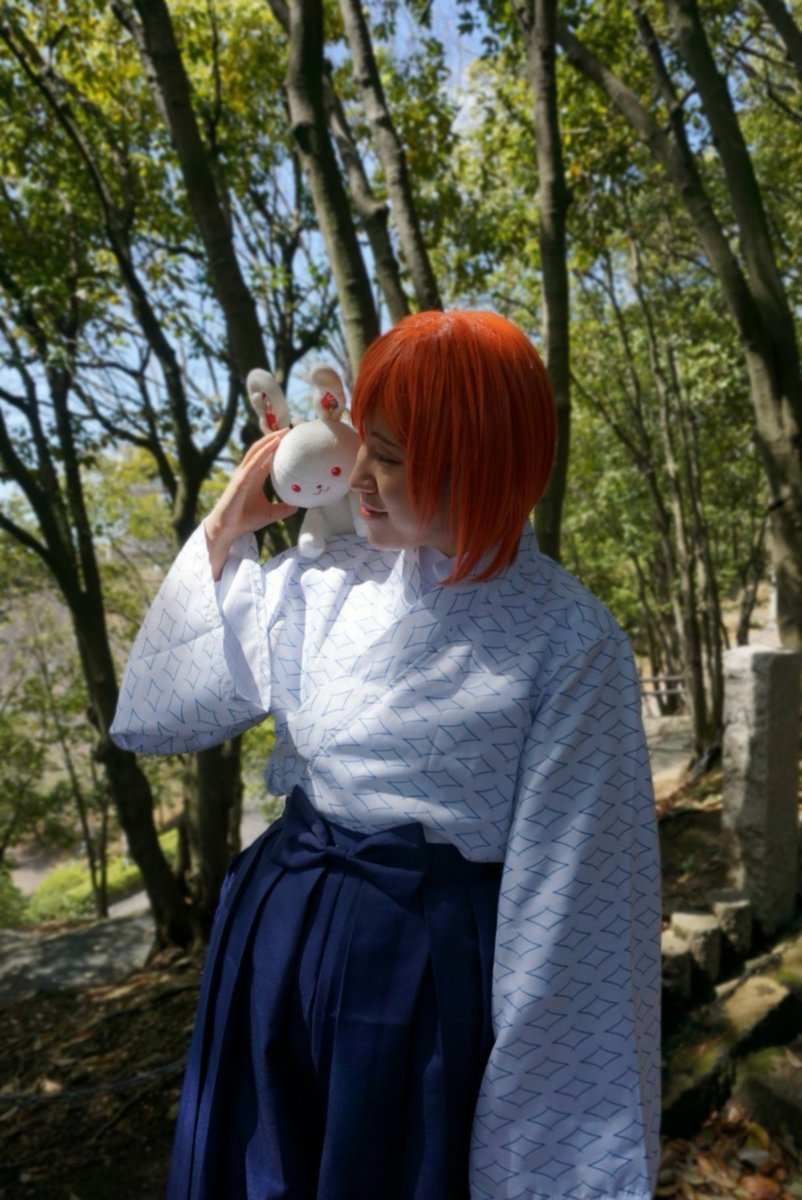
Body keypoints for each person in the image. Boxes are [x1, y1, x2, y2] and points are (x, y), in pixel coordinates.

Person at [111, 310, 661, 1200]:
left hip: (418, 1000)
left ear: (476, 463)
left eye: (392, 457)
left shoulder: (571, 641)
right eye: (363, 440)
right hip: (271, 957)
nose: (358, 473)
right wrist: (226, 524)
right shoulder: (328, 579)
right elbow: (160, 715)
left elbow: (572, 917)